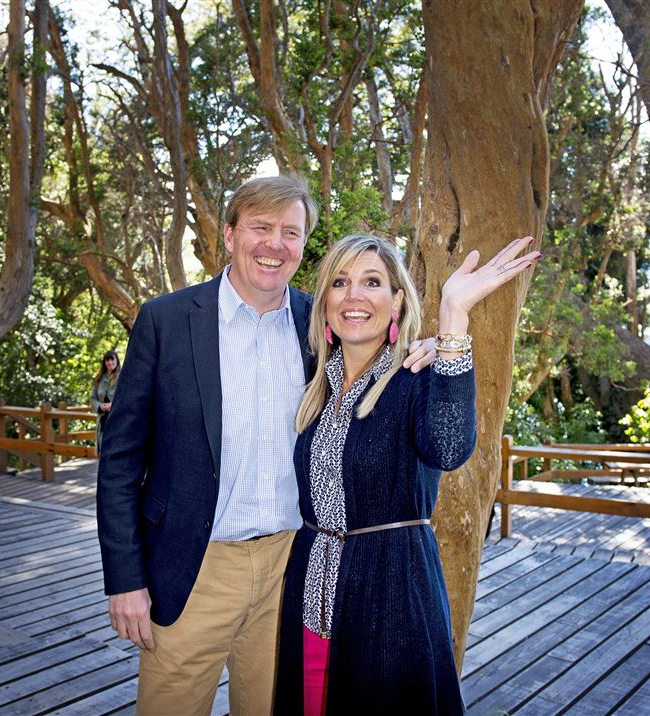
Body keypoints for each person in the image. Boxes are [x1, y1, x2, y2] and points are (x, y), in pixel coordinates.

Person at [96, 175, 436, 716]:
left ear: (304, 245)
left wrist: (431, 349)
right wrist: (125, 579)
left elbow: (381, 356)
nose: (275, 244)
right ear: (230, 235)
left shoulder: (320, 321)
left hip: (291, 568)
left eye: (291, 232)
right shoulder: (166, 321)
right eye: (260, 227)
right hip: (193, 570)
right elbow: (119, 462)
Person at [274, 234, 539, 715]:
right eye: (340, 282)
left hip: (391, 597)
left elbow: (449, 449)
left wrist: (453, 318)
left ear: (397, 301)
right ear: (325, 302)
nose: (354, 296)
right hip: (312, 594)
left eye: (372, 282)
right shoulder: (316, 384)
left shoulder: (418, 377)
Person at [90, 350, 119, 455]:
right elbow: (92, 398)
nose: (110, 362)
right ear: (104, 362)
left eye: (112, 359)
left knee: (115, 451)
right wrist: (100, 406)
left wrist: (113, 405)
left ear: (117, 360)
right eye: (107, 360)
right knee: (103, 451)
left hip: (117, 419)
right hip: (103, 420)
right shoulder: (99, 379)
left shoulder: (123, 377)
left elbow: (127, 397)